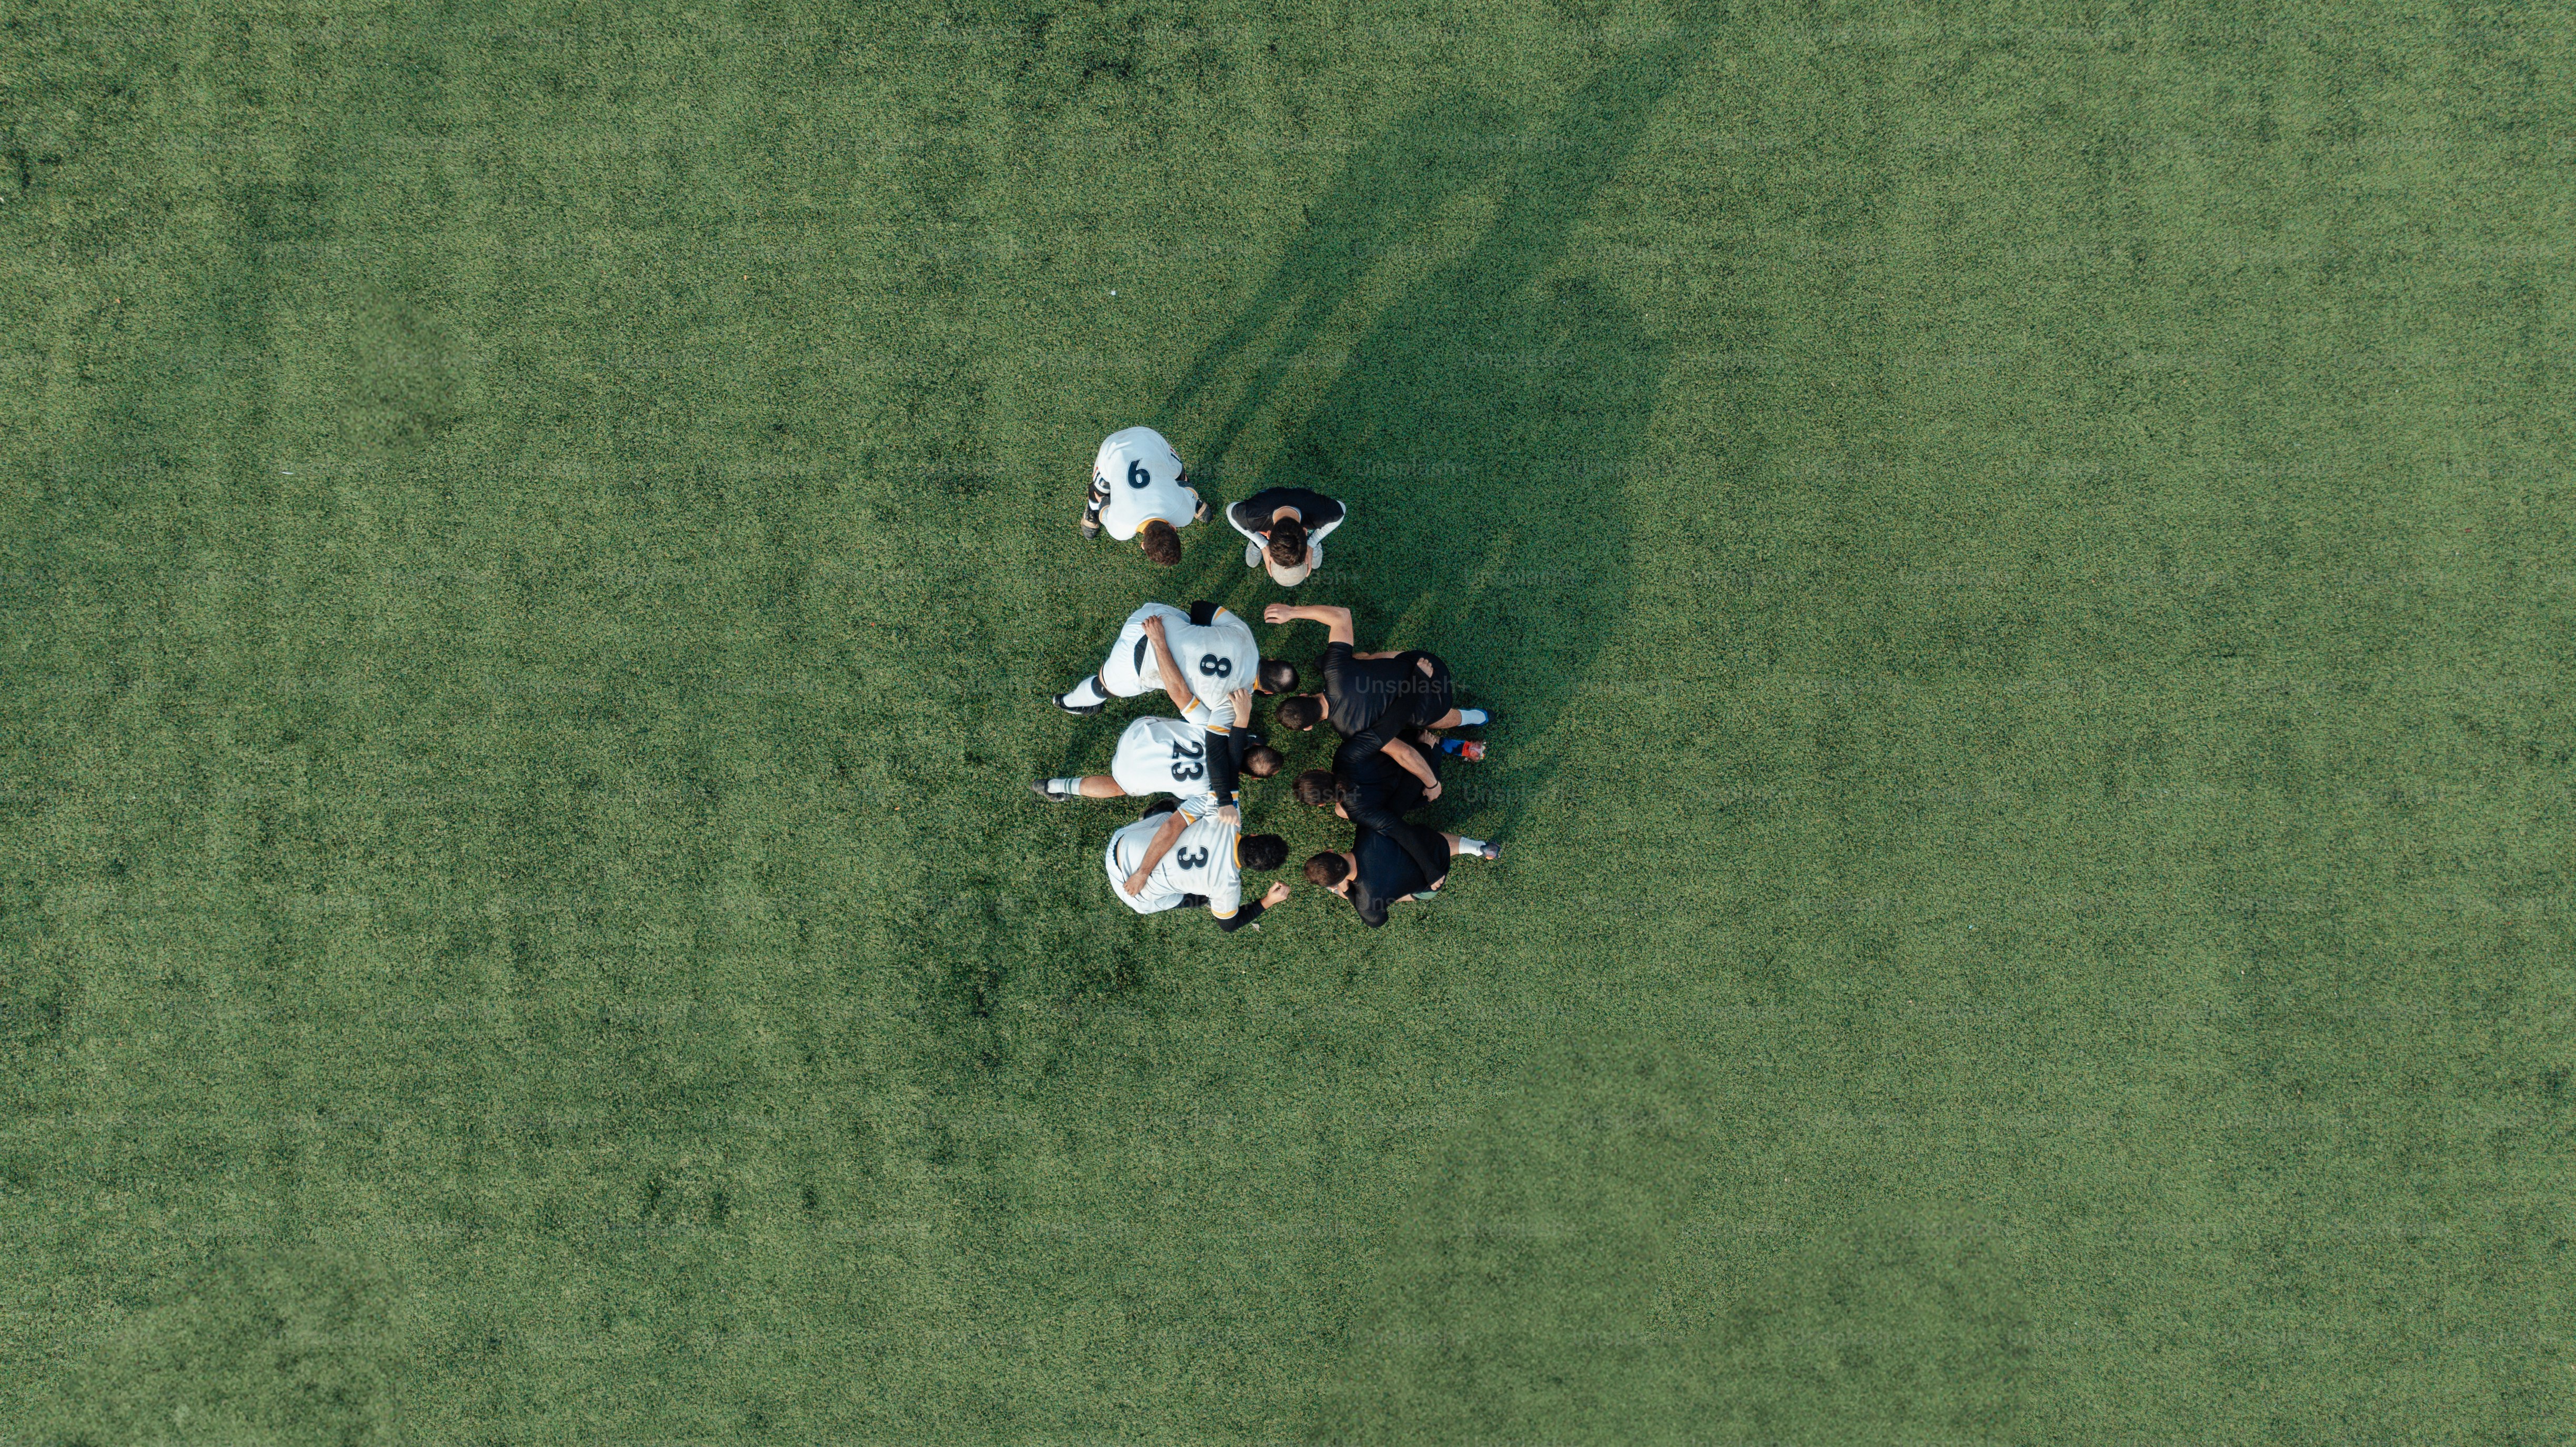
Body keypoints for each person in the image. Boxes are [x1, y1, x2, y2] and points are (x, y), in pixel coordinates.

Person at [1261, 602, 1489, 797]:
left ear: (1309, 727)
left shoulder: (1352, 734)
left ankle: (1473, 717)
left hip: (1435, 703)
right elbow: (1341, 615)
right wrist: (1292, 611)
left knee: (1431, 718)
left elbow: (1404, 753)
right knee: (1362, 660)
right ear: (1303, 695)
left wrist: (1433, 784)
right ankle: (1471, 716)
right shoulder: (1334, 668)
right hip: (1427, 663)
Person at [1033, 690, 1286, 812]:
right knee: (1122, 787)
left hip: (1137, 731)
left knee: (1185, 721)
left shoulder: (1213, 726)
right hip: (1127, 774)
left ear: (1252, 745)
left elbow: (1184, 697)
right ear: (1251, 777)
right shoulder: (1210, 792)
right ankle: (1054, 786)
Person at [1055, 601, 1298, 718]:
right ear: (1267, 693)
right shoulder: (1232, 704)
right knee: (1103, 687)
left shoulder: (1245, 633)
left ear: (1272, 658)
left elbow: (1201, 608)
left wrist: (1199, 639)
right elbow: (1181, 696)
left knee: (1183, 618)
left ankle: (1071, 700)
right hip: (1133, 667)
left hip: (1150, 618)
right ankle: (1066, 702)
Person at [1104, 799, 1292, 930]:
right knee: (1196, 899)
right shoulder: (1227, 888)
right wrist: (1269, 900)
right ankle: (1194, 899)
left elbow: (1215, 787)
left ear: (1254, 836)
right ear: (1256, 869)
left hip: (1119, 848)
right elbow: (1229, 925)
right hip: (1133, 895)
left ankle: (1158, 813)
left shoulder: (1228, 818)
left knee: (1172, 814)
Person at [1303, 822, 1500, 929]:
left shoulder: (1368, 905)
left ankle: (1475, 848)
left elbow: (1377, 922)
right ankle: (1477, 847)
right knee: (1421, 839)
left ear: (1336, 883)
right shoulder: (1368, 830)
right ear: (1330, 852)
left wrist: (1348, 893)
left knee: (1391, 898)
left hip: (1429, 887)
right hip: (1433, 852)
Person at [1081, 427, 1210, 566]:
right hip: (1117, 446)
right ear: (1143, 545)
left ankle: (1192, 503)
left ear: (1174, 528)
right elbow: (1105, 505)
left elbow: (1188, 488)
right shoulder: (1119, 529)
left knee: (1179, 476)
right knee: (1099, 491)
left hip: (1147, 438)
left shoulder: (1184, 516)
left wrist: (1185, 501)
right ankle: (1091, 510)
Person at [1226, 486, 1347, 586]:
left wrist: (1312, 543)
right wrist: (1262, 544)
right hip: (1267, 502)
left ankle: (1311, 540)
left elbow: (1342, 509)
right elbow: (1230, 511)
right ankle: (1256, 543)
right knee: (1254, 531)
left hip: (1303, 500)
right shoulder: (1251, 517)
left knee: (1313, 539)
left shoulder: (1319, 513)